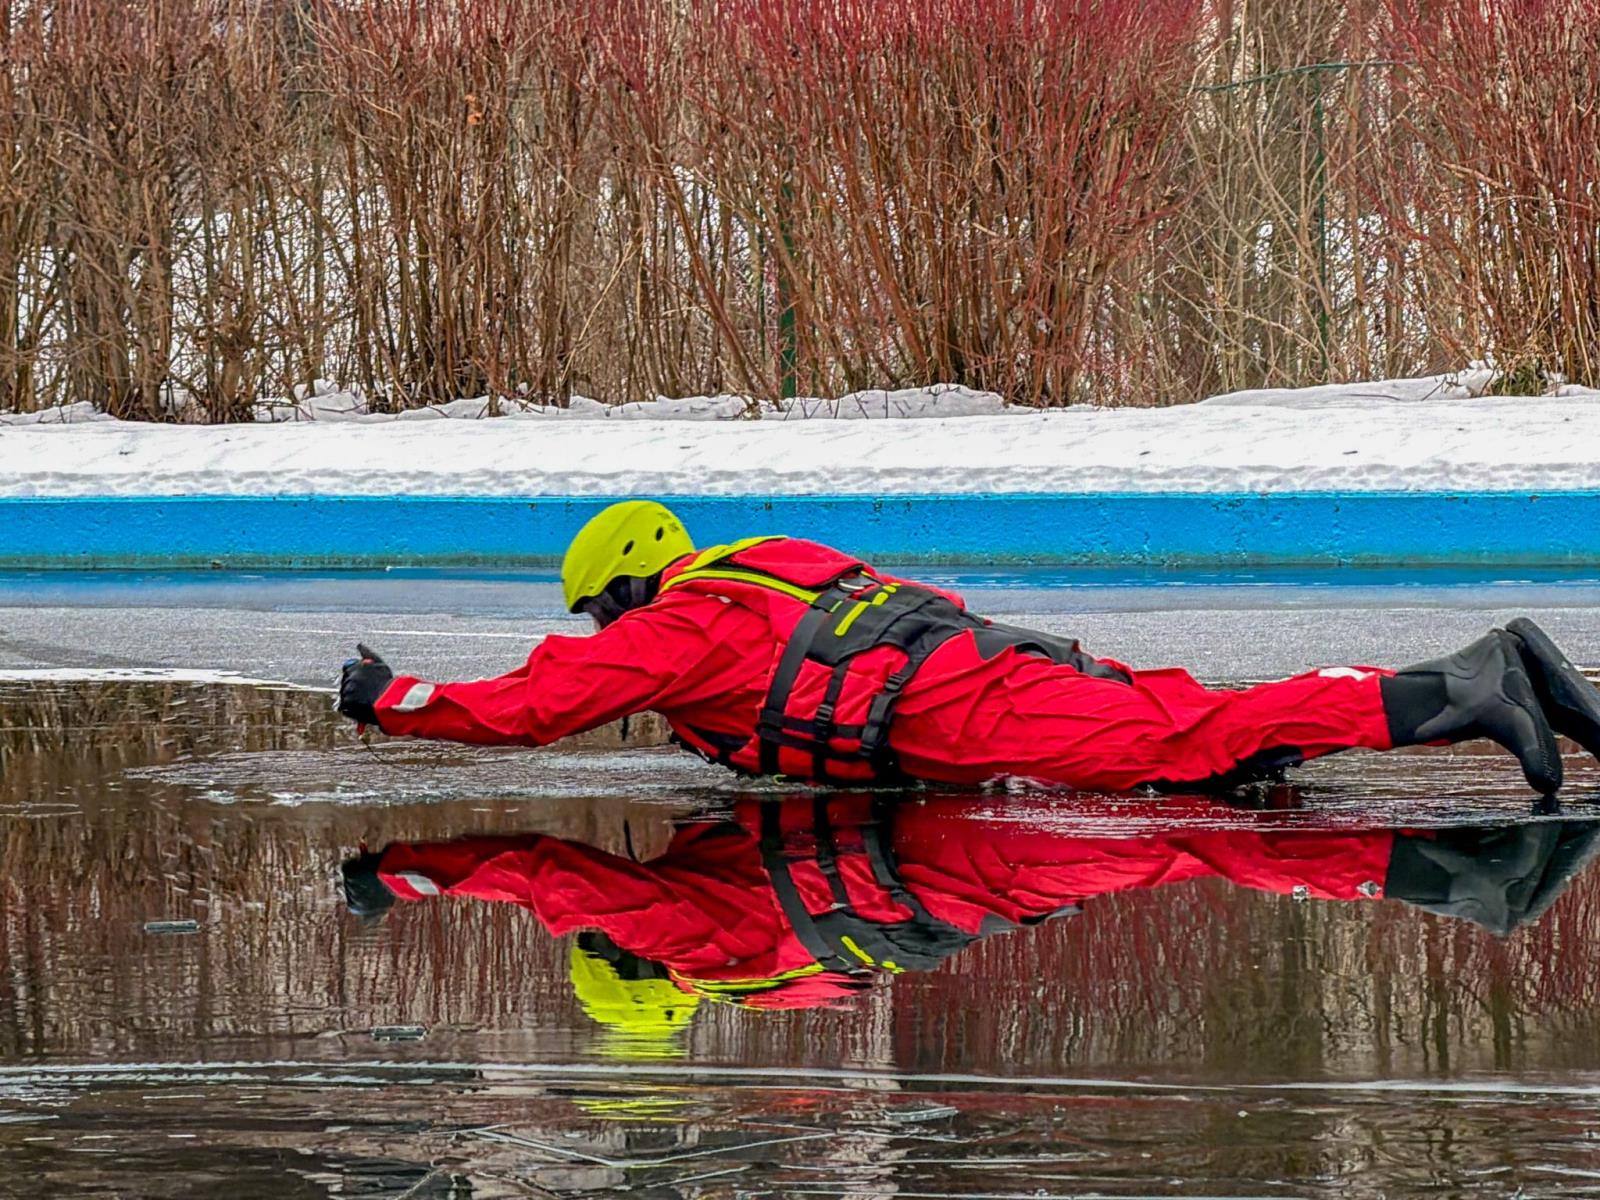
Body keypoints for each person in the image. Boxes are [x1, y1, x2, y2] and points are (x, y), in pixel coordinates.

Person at [336, 500, 1600, 795]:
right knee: (1201, 739)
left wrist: (392, 699)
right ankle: (1521, 674)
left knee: (1188, 743)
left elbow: (534, 703)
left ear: (624, 584)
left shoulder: (683, 622)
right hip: (992, 661)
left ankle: (1468, 683)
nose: (605, 635)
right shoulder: (763, 566)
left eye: (601, 610)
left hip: (960, 712)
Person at [341, 793, 1600, 1025]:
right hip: (967, 862)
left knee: (1200, 849)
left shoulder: (762, 988)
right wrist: (417, 870)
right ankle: (1462, 868)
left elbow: (866, 973)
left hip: (982, 897)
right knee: (1204, 835)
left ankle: (1458, 875)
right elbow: (551, 882)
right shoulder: (703, 945)